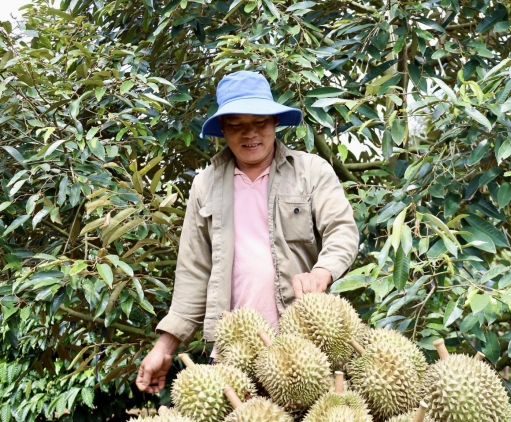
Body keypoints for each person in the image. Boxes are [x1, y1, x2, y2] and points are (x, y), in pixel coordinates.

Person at [135, 71, 359, 393]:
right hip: (232, 353)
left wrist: (323, 271)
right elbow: (193, 271)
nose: (250, 134)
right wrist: (165, 347)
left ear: (274, 123)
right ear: (222, 130)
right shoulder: (205, 185)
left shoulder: (311, 172)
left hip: (305, 346)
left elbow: (341, 231)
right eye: (237, 125)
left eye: (259, 123)